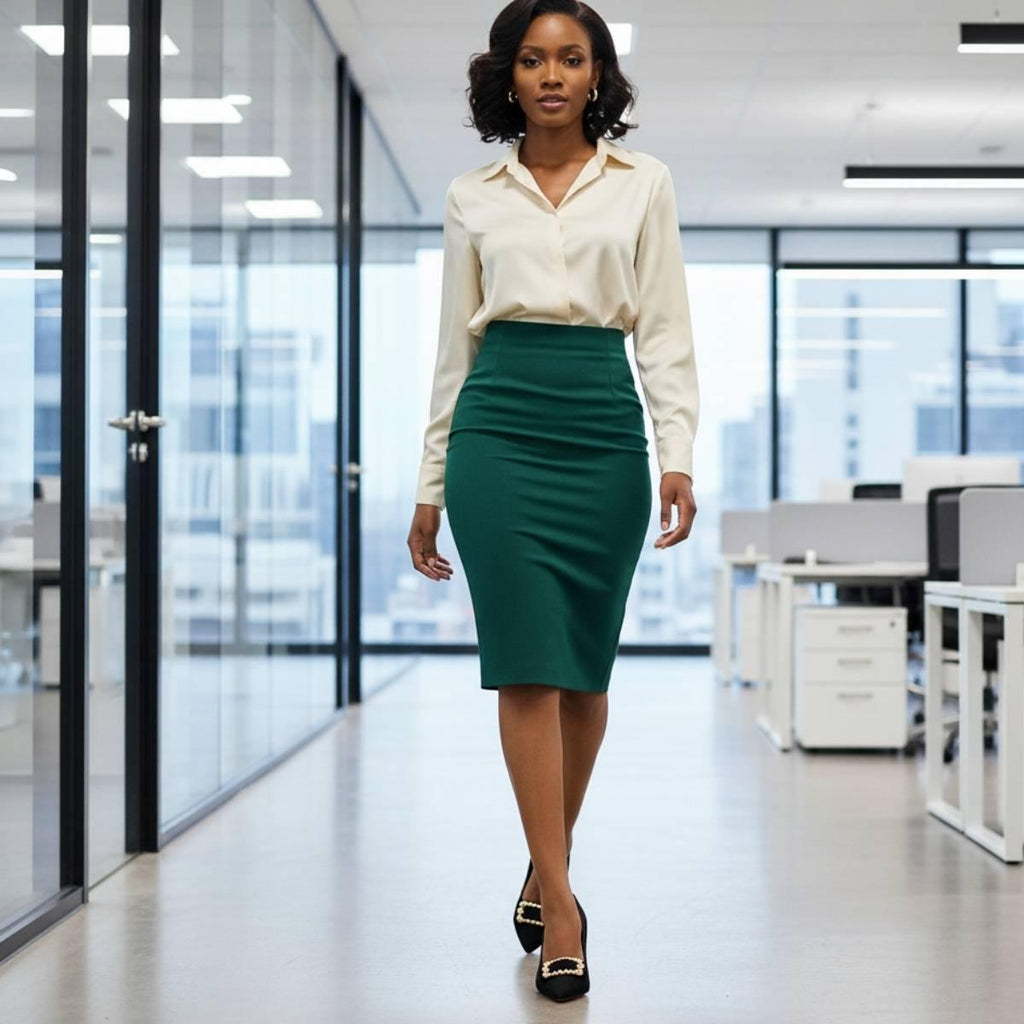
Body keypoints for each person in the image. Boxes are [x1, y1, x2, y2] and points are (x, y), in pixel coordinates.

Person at [405, 0, 699, 1003]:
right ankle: (565, 908)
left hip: (602, 429)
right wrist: (429, 485)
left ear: (598, 74)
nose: (552, 76)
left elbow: (663, 329)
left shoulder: (643, 183)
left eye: (572, 58)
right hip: (498, 429)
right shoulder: (472, 194)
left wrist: (678, 453)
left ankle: (542, 861)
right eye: (533, 59)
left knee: (583, 673)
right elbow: (454, 348)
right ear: (509, 76)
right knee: (524, 665)